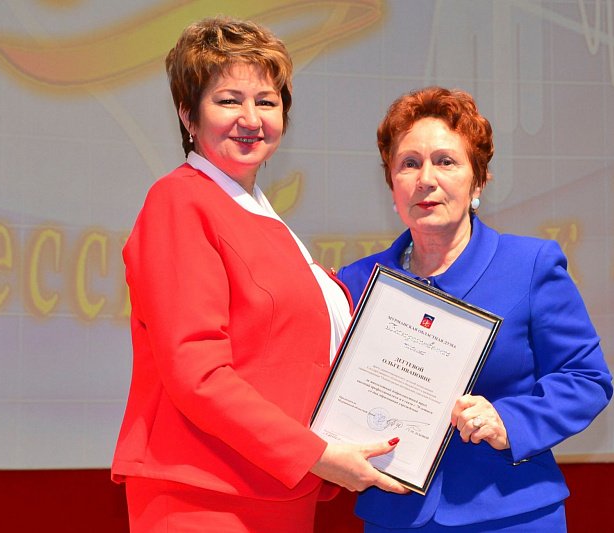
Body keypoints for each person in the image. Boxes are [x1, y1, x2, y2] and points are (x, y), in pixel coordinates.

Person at [111, 16, 405, 533]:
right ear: (188, 114)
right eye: (229, 100)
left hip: (275, 488)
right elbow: (198, 374)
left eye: (267, 102)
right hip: (205, 494)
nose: (251, 118)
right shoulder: (180, 201)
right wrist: (316, 453)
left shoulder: (261, 218)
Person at [337, 87, 613, 532]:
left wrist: (510, 421)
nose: (426, 178)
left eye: (446, 161)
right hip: (396, 516)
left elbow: (586, 379)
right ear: (392, 184)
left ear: (478, 182)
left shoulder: (530, 266)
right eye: (409, 163)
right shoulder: (357, 282)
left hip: (511, 513)